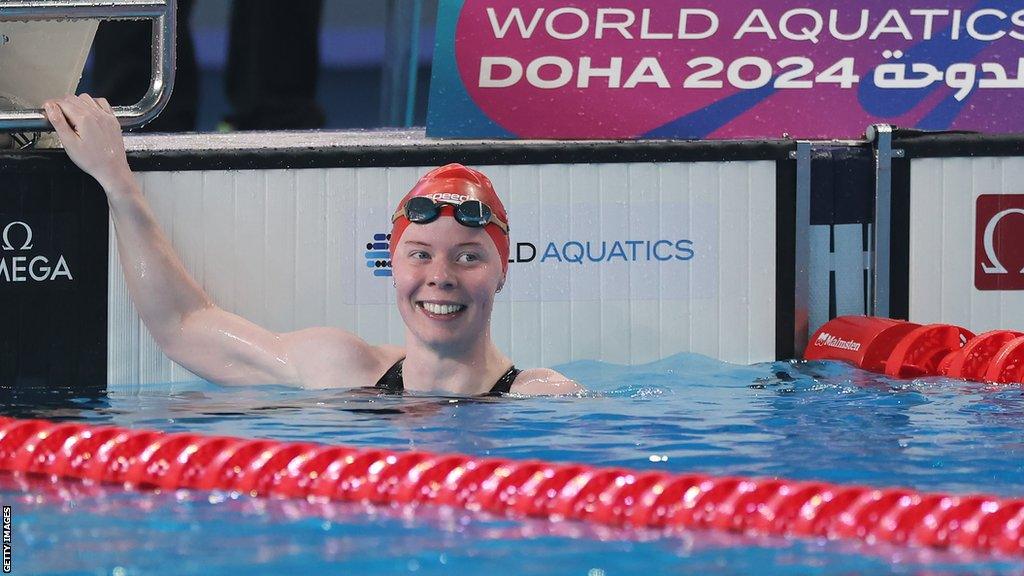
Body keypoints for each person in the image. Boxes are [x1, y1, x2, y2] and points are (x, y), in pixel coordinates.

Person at [43, 94, 582, 396]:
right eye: (420, 253)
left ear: (503, 272)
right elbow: (184, 327)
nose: (440, 275)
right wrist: (116, 179)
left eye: (468, 256)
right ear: (392, 265)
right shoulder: (340, 367)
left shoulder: (541, 399)